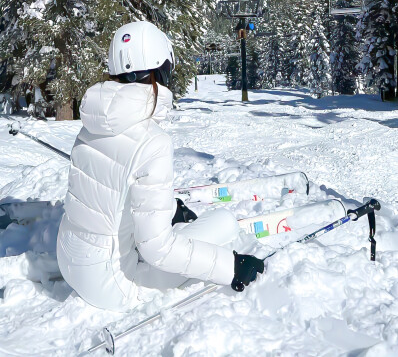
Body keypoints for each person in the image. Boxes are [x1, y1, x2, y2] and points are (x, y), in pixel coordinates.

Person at [57, 21, 264, 310]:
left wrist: (163, 207)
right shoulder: (152, 141)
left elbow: (110, 187)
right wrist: (230, 266)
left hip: (69, 259)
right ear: (161, 69)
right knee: (224, 222)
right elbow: (158, 249)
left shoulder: (94, 122)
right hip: (114, 286)